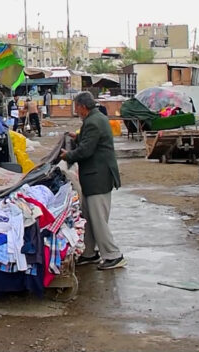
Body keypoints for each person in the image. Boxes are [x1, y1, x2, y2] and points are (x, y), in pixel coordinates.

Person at [60, 91, 125, 270]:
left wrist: (68, 156)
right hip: (95, 176)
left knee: (98, 219)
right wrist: (77, 137)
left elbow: (86, 150)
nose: (76, 110)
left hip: (98, 177)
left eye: (76, 107)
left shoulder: (93, 122)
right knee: (88, 218)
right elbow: (90, 140)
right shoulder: (95, 119)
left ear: (82, 107)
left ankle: (113, 255)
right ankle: (89, 253)